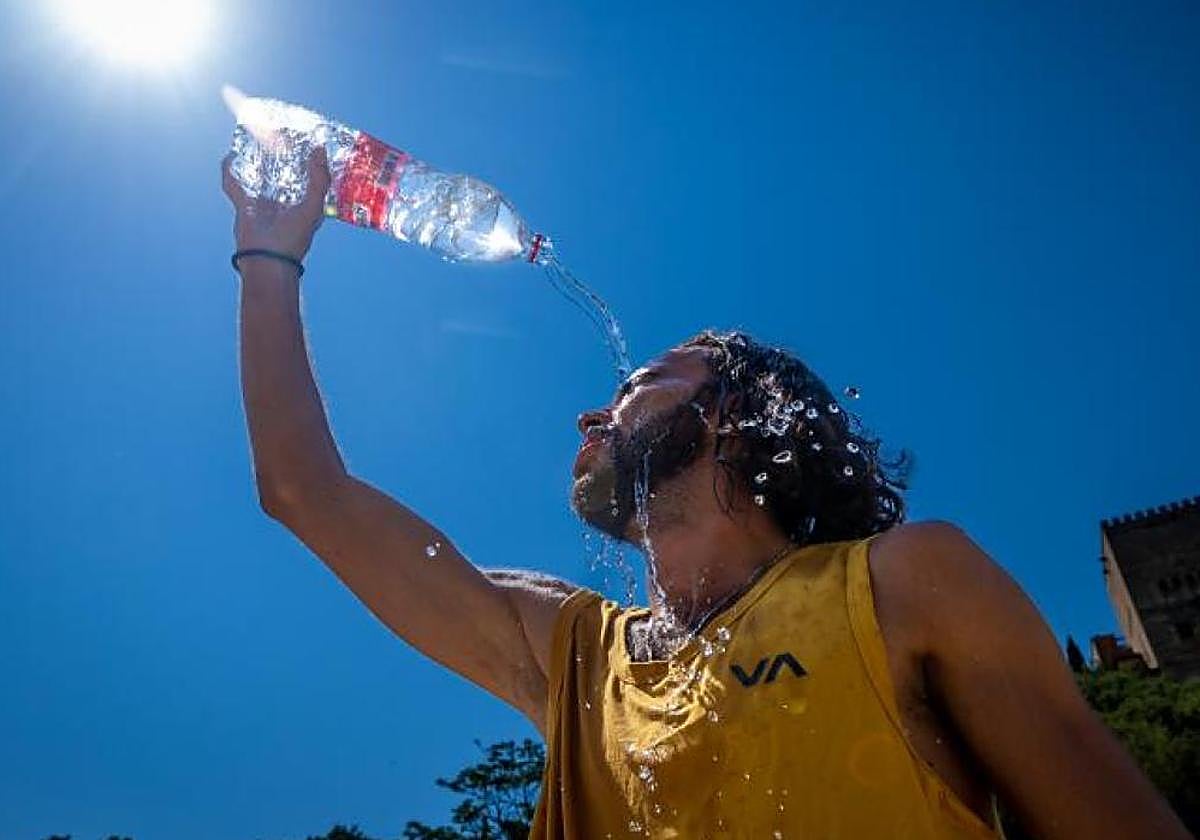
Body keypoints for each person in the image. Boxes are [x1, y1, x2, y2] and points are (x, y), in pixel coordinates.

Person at [221, 151, 1192, 840]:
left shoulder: (906, 584)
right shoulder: (572, 654)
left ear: (734, 412)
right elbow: (306, 492)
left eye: (641, 382)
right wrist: (269, 256)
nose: (590, 415)